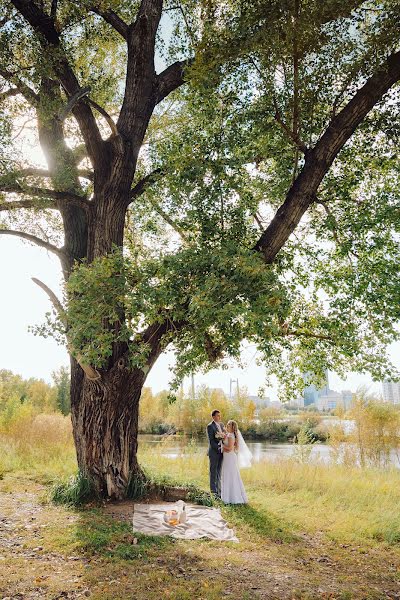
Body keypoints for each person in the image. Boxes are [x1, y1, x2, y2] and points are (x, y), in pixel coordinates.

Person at [220, 419, 249, 504]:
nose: (227, 426)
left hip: (229, 458)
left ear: (233, 427)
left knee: (230, 476)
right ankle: (228, 496)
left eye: (229, 425)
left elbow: (229, 449)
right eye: (227, 424)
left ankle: (232, 497)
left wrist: (221, 446)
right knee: (228, 475)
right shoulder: (228, 435)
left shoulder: (230, 436)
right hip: (228, 458)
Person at [206, 409, 225, 498]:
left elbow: (224, 437)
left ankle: (219, 491)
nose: (219, 417)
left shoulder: (221, 425)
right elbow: (211, 441)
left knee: (219, 472)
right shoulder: (210, 426)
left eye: (219, 415)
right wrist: (218, 448)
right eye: (217, 415)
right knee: (213, 472)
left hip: (221, 452)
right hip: (214, 452)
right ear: (213, 417)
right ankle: (213, 493)